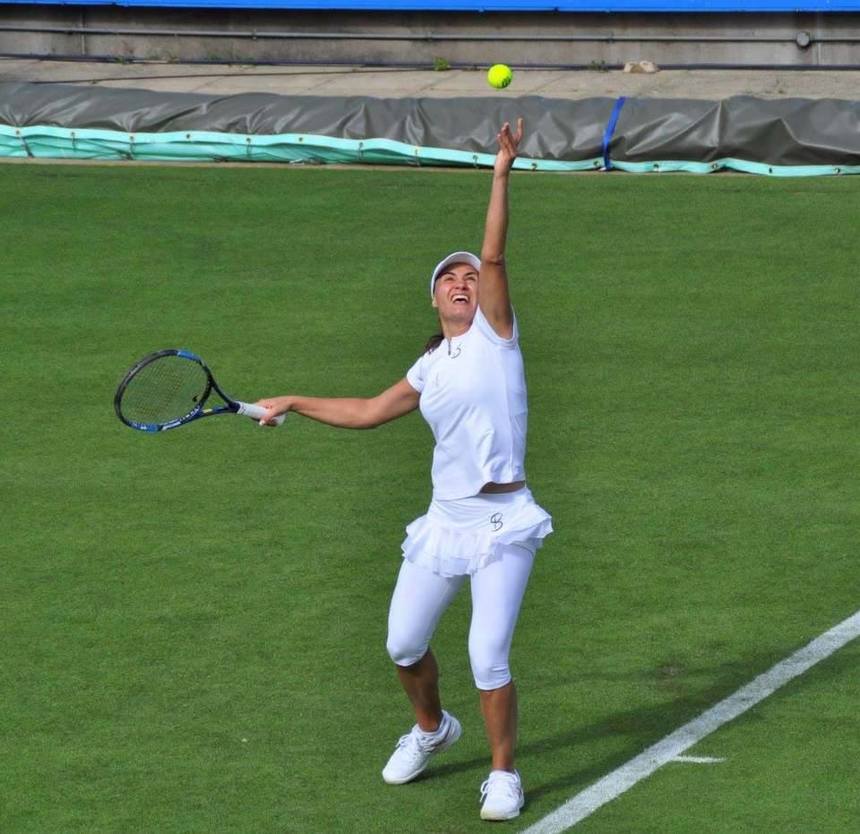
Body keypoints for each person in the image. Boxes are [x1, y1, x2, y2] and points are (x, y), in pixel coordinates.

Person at [257, 119, 552, 822]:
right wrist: (293, 400)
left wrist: (501, 171)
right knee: (402, 642)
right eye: (449, 277)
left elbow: (494, 250)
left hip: (504, 522)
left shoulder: (497, 334)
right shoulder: (430, 365)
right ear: (433, 300)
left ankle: (504, 775)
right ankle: (432, 729)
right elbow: (364, 411)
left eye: (470, 276)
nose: (463, 279)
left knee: (488, 653)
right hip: (445, 524)